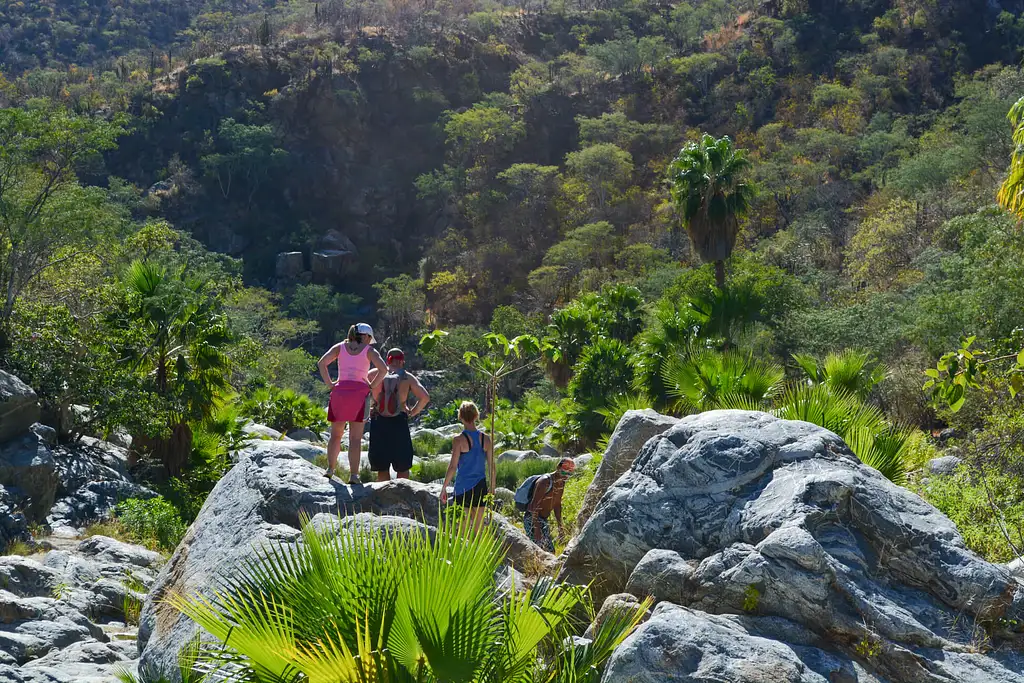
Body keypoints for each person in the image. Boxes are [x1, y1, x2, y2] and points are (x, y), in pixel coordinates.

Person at [317, 323, 387, 484]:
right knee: (355, 439)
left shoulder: (339, 347)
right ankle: (354, 476)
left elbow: (322, 363)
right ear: (366, 336)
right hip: (359, 394)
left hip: (340, 392)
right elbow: (383, 370)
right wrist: (371, 385)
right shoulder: (369, 351)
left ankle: (330, 469)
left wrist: (330, 384)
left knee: (335, 435)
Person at [368, 348, 430, 481]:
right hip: (399, 421)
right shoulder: (407, 377)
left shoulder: (374, 374)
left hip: (379, 420)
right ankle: (402, 496)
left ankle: (384, 496)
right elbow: (425, 397)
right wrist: (412, 412)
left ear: (387, 360)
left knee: (381, 466)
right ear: (402, 361)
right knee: (402, 466)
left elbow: (360, 390)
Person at [440, 401, 495, 532]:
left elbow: (453, 466)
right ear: (476, 416)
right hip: (480, 486)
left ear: (461, 417)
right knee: (479, 526)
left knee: (462, 527)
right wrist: (493, 487)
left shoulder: (458, 440)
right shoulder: (486, 439)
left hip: (462, 487)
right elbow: (492, 466)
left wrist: (444, 487)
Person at [523, 458, 576, 553]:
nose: (566, 476)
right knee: (541, 551)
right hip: (532, 519)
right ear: (558, 468)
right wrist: (536, 529)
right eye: (564, 473)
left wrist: (560, 527)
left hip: (543, 520)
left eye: (569, 474)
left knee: (549, 551)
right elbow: (534, 504)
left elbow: (557, 505)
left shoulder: (561, 483)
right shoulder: (544, 482)